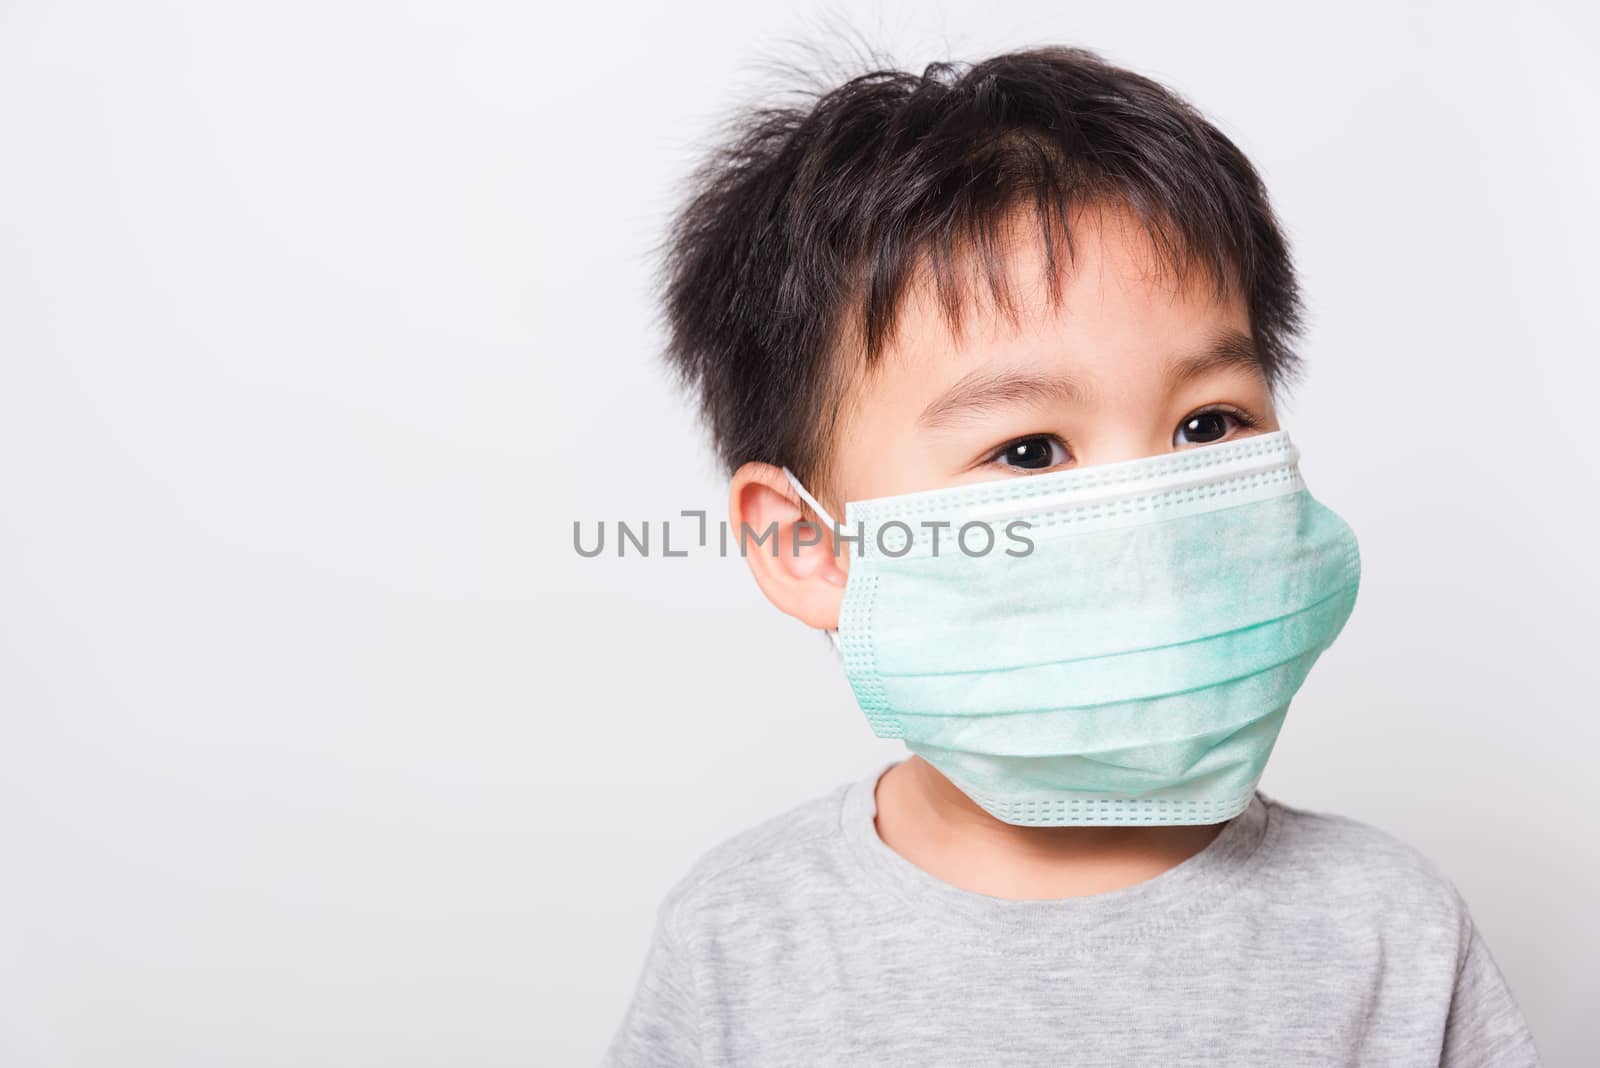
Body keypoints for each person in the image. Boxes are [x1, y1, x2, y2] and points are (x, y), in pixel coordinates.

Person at [603, 43, 1540, 1066]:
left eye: (1206, 425)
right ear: (809, 547)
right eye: (1029, 450)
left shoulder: (1391, 934)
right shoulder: (744, 940)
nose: (1147, 523)